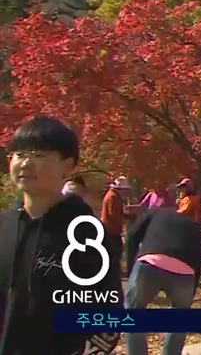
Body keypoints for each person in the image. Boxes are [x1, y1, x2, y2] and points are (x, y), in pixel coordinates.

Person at [0, 116, 123, 355]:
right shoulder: (3, 225)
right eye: (19, 154)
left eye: (39, 155)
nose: (26, 163)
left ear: (67, 166)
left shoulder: (87, 235)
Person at [124, 206, 201, 355]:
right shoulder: (194, 227)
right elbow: (199, 259)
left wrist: (131, 269)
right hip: (185, 271)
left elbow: (132, 235)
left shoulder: (154, 213)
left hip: (150, 264)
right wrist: (191, 292)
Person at [101, 175, 134, 276]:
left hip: (111, 229)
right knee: (115, 250)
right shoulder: (113, 197)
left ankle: (114, 270)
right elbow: (113, 213)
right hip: (110, 229)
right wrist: (125, 217)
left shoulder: (113, 195)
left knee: (115, 250)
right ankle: (113, 271)